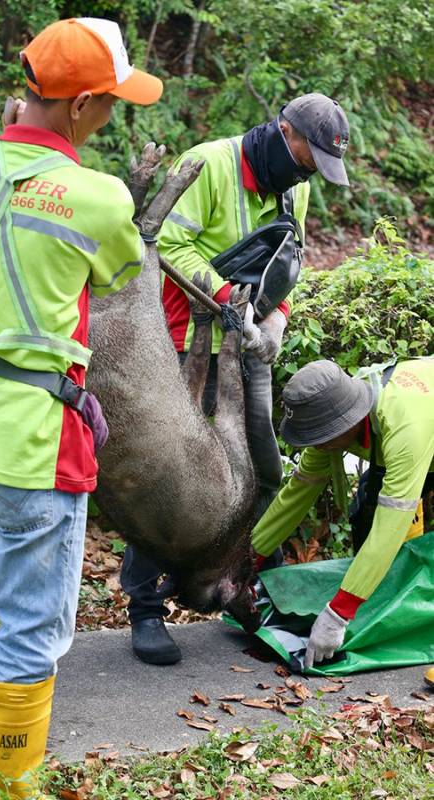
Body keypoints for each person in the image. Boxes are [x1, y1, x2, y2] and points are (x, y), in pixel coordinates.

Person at [0, 15, 162, 794]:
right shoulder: (98, 197)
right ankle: (5, 786)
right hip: (37, 441)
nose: (115, 115)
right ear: (80, 105)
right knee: (35, 630)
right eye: (111, 101)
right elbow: (118, 278)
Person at [122, 93, 351, 666]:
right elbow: (163, 245)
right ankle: (145, 607)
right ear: (284, 131)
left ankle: (248, 590)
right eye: (309, 157)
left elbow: (286, 262)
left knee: (262, 468)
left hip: (242, 342)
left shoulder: (293, 186)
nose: (309, 172)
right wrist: (228, 301)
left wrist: (274, 319)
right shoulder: (211, 164)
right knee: (168, 479)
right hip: (180, 337)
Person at [250, 358, 433, 670]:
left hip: (421, 431)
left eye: (318, 437)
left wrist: (338, 613)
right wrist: (248, 559)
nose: (315, 446)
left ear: (345, 423)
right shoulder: (336, 423)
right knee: (368, 516)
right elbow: (297, 494)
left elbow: (390, 527)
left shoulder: (404, 428)